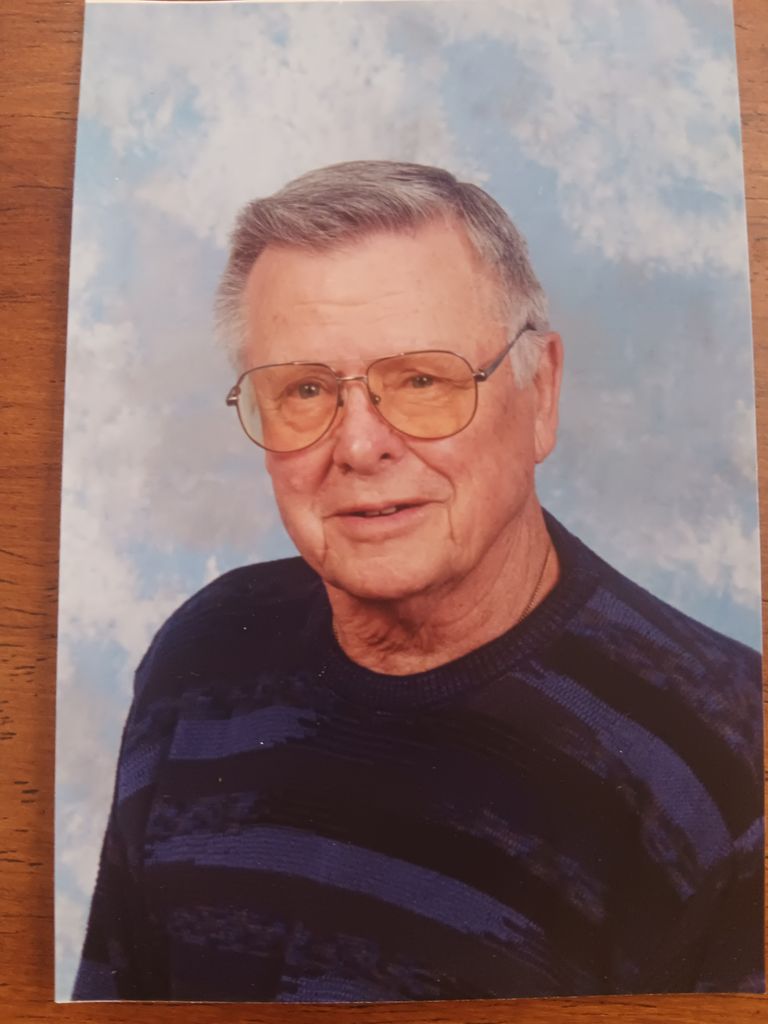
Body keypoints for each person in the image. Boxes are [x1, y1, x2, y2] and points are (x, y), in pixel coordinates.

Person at [73, 161, 763, 1002]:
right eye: (305, 389)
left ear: (540, 392)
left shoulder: (728, 760)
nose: (359, 445)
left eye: (422, 381)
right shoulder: (202, 654)